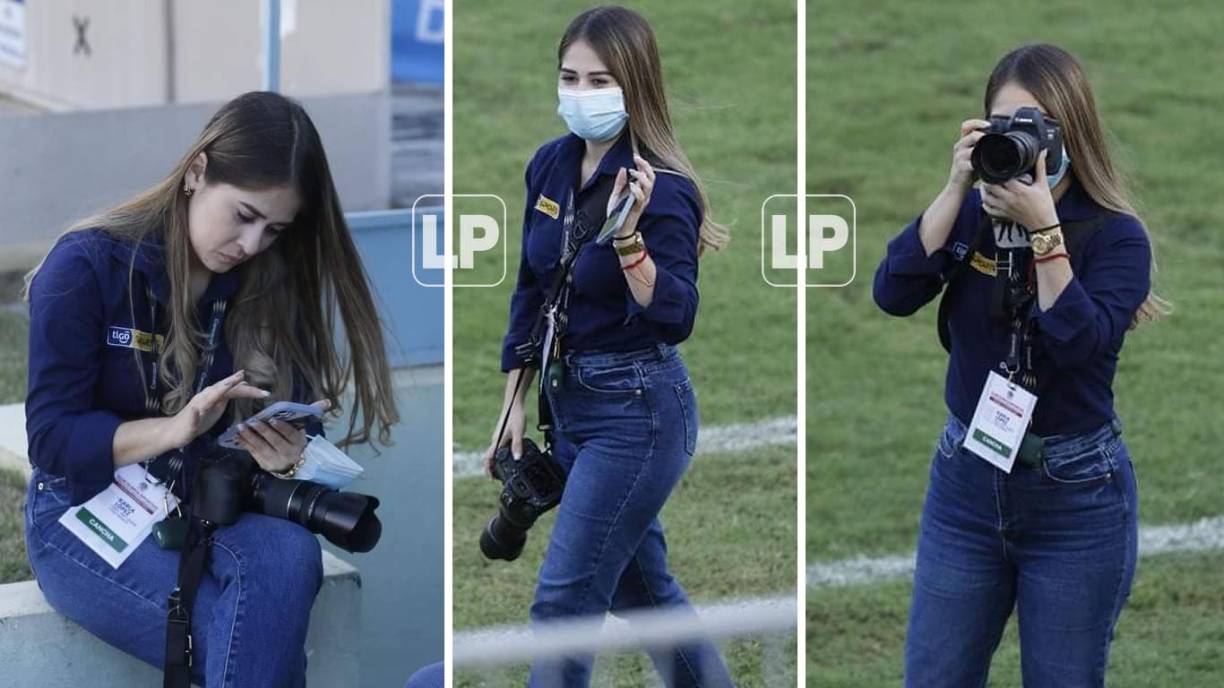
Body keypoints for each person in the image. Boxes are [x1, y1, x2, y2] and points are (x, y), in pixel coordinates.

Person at [23, 91, 398, 688]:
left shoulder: (272, 281)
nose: (251, 245)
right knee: (250, 641)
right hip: (84, 512)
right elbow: (50, 438)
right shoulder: (87, 265)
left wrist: (289, 454)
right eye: (244, 216)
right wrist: (174, 430)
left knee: (291, 555)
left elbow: (297, 418)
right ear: (197, 171)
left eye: (275, 229)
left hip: (211, 506)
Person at [873, 44, 1169, 687]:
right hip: (966, 484)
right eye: (1003, 125)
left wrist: (1045, 234)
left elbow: (1079, 345)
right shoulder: (975, 213)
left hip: (1077, 496)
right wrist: (956, 188)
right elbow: (893, 293)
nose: (1019, 143)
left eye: (1035, 126)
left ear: (1073, 132)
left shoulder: (1116, 236)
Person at [482, 6, 735, 687]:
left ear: (636, 87)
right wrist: (513, 402)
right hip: (568, 405)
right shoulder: (549, 164)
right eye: (571, 77)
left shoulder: (666, 191)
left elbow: (676, 315)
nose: (582, 93)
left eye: (601, 81)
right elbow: (530, 290)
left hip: (639, 413)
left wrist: (629, 244)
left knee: (564, 602)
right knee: (642, 595)